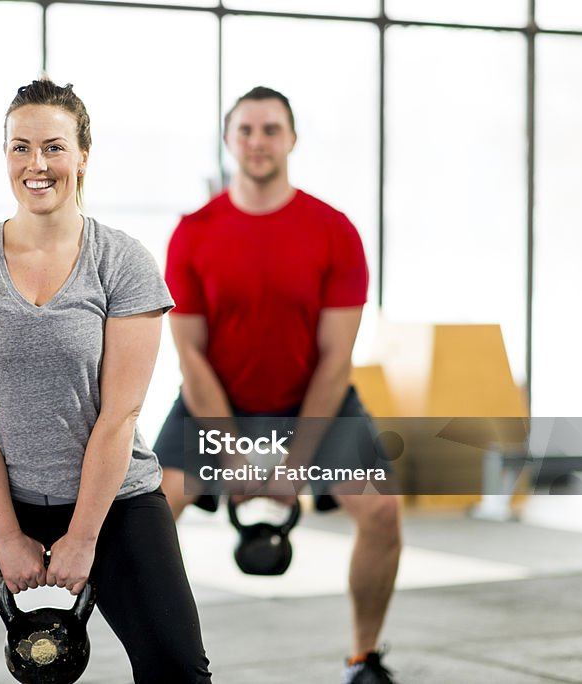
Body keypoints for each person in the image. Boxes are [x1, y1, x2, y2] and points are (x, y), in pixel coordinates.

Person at [0, 79, 212, 684]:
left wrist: (83, 539)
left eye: (53, 147)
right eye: (19, 147)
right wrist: (5, 535)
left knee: (178, 668)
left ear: (83, 155)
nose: (37, 164)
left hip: (116, 501)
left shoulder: (122, 262)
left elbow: (120, 416)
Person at [154, 86, 403, 684]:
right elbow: (190, 355)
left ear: (291, 139)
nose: (258, 142)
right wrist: (233, 451)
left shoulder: (334, 230)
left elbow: (335, 360)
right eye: (246, 130)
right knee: (149, 518)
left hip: (314, 398)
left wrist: (298, 461)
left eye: (271, 130)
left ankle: (363, 658)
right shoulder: (193, 232)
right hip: (216, 400)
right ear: (228, 139)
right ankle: (167, 663)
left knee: (383, 513)